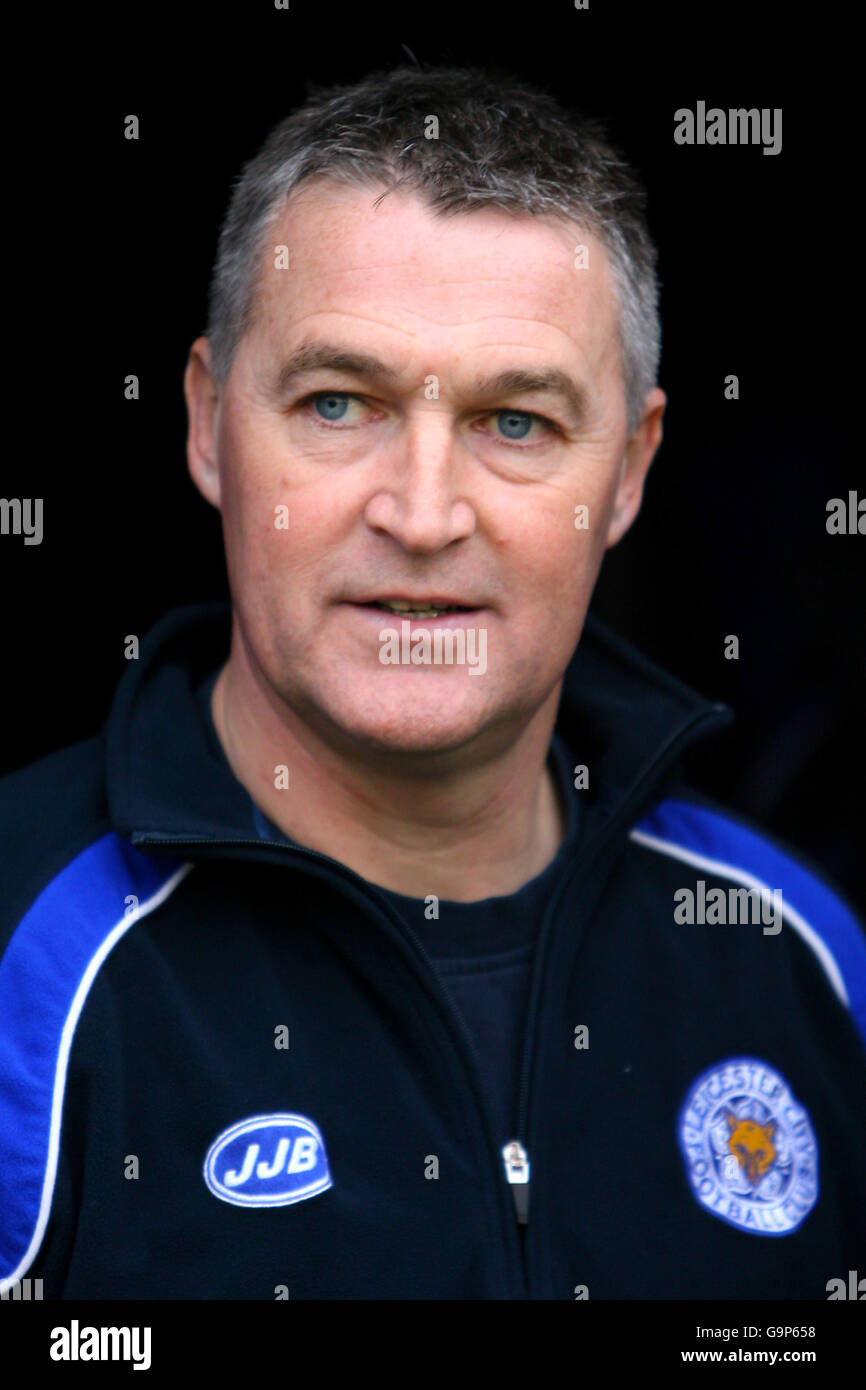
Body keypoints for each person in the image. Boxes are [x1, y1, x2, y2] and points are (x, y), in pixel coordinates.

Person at [1, 65, 864, 1302]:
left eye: (514, 422)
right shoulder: (21, 958)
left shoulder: (801, 956)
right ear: (205, 425)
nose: (420, 513)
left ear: (626, 472)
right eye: (338, 402)